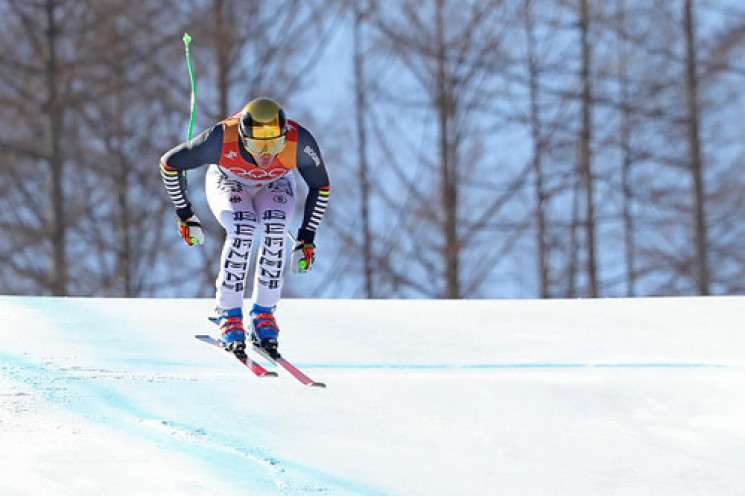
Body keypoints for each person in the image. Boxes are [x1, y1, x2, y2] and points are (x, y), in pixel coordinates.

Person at [159, 97, 330, 357]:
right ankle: (229, 314)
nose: (266, 154)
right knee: (243, 229)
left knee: (275, 228)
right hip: (228, 179)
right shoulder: (220, 138)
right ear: (242, 136)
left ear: (284, 135)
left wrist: (307, 237)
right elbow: (169, 164)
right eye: (256, 144)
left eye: (274, 143)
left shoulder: (299, 141)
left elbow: (321, 185)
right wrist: (185, 214)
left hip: (275, 181)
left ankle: (264, 315)